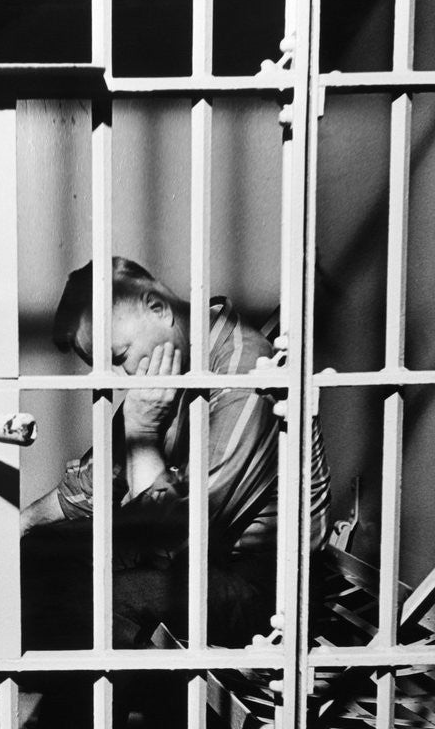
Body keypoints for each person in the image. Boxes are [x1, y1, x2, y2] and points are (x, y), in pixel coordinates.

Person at [20, 257, 331, 651]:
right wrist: (25, 523)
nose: (117, 381)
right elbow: (98, 477)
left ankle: (93, 710)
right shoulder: (173, 365)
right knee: (36, 552)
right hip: (196, 557)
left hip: (269, 588)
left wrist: (143, 432)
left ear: (158, 308)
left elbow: (173, 538)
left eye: (118, 357)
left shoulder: (246, 378)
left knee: (108, 599)